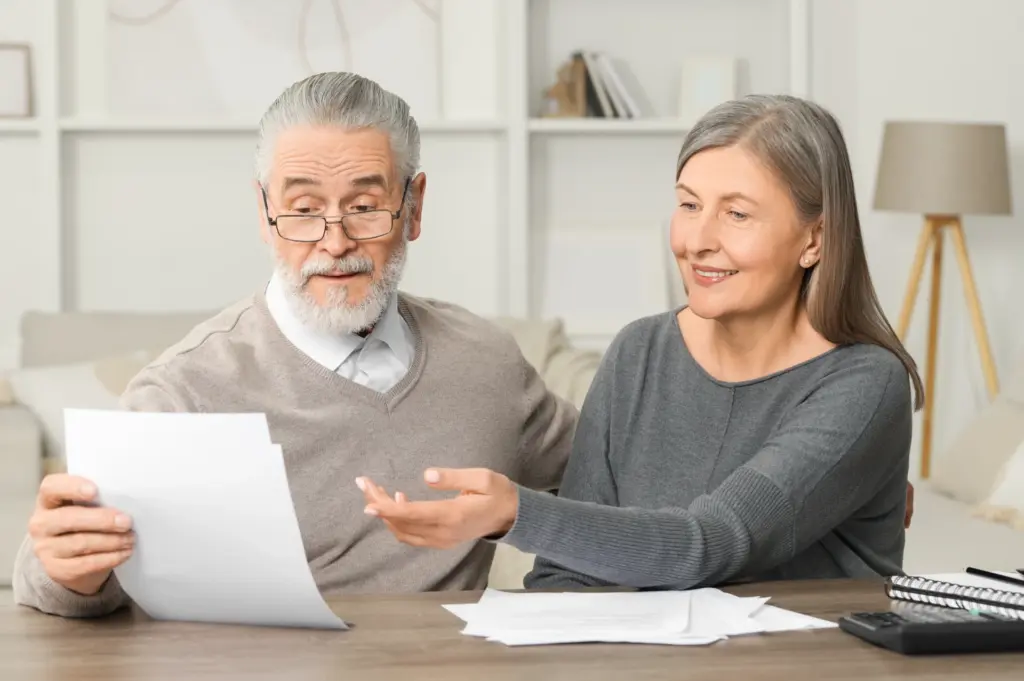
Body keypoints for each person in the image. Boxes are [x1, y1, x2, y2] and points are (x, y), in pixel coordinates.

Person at [12, 72, 578, 617]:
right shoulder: (184, 392)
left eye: (363, 207)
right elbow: (57, 583)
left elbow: (609, 476)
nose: (334, 242)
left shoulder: (486, 362)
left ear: (414, 207)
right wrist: (68, 570)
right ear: (264, 211)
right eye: (304, 211)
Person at [359, 94, 924, 590]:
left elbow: (716, 541)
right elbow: (566, 576)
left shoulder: (864, 384)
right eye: (688, 204)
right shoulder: (641, 352)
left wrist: (517, 514)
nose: (697, 240)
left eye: (737, 213)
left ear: (814, 239)